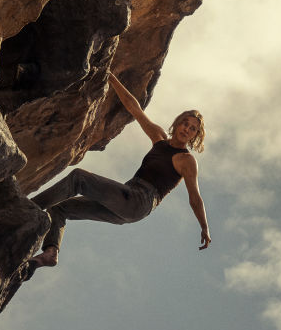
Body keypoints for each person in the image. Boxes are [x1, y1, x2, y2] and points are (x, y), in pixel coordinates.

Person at [27, 72, 211, 269]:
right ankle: (50, 253)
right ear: (178, 122)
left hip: (140, 200)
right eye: (186, 123)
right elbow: (134, 108)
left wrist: (204, 227)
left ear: (194, 136)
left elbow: (195, 197)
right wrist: (111, 77)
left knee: (78, 178)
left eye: (192, 129)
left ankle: (28, 208)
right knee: (60, 208)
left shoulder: (187, 160)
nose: (187, 130)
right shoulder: (159, 137)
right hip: (125, 201)